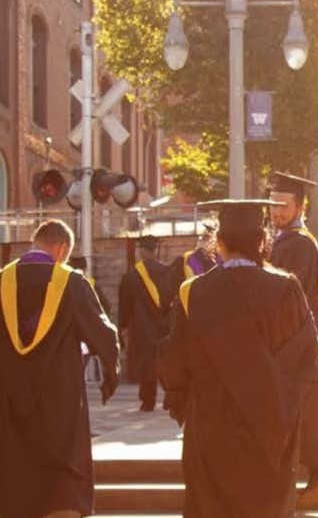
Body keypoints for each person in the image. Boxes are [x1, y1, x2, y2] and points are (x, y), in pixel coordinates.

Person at [159, 199, 318, 517]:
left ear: (217, 243)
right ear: (263, 241)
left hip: (211, 428)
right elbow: (307, 355)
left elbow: (174, 364)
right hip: (271, 429)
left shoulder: (194, 293)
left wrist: (183, 404)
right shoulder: (286, 290)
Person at [0, 220, 120, 518]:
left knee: (14, 462)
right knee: (62, 468)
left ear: (34, 242)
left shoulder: (2, 281)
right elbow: (102, 333)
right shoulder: (72, 283)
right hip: (60, 398)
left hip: (8, 397)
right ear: (62, 248)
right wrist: (110, 370)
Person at [268, 172, 318, 507]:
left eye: (284, 205)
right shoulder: (291, 240)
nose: (277, 212)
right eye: (273, 205)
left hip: (301, 342)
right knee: (307, 409)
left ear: (300, 206)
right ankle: (316, 471)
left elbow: (287, 293)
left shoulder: (297, 243)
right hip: (303, 341)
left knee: (308, 409)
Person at [119, 235, 170, 411]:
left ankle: (148, 401)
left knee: (146, 364)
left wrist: (122, 327)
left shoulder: (131, 275)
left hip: (142, 327)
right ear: (156, 250)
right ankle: (170, 398)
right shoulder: (169, 271)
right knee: (165, 362)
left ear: (140, 251)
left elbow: (124, 305)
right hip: (165, 326)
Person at [162, 223, 220, 315]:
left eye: (204, 239)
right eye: (202, 239)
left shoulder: (183, 261)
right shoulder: (182, 262)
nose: (201, 241)